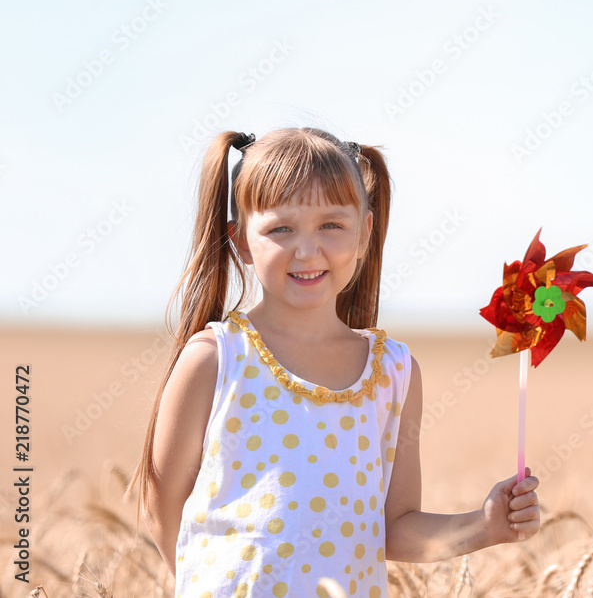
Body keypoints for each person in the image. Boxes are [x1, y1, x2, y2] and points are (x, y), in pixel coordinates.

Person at [125, 127, 541, 597]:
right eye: (281, 228)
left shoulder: (393, 372)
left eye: (331, 225)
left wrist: (483, 527)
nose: (308, 250)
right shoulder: (216, 359)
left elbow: (395, 528)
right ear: (240, 241)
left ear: (365, 232)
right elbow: (163, 510)